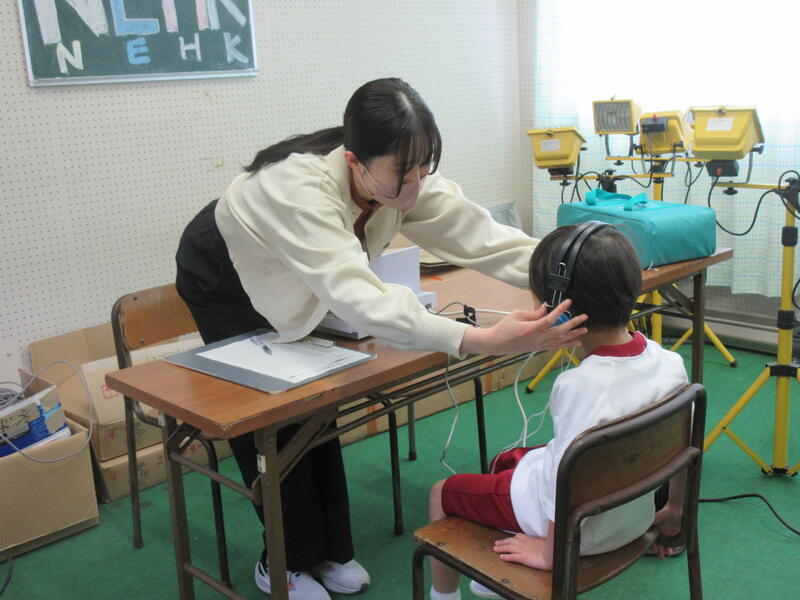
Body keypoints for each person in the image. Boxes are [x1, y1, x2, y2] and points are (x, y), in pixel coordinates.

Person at [175, 78, 588, 600]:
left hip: (298, 269)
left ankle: (328, 551)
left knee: (317, 402)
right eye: (403, 174)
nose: (415, 187)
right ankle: (283, 563)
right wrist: (481, 339)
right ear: (355, 161)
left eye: (424, 169)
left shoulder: (396, 170)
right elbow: (362, 301)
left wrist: (568, 266)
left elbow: (480, 236)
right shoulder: (300, 193)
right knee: (273, 413)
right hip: (224, 273)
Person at [426, 223, 689, 600]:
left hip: (579, 536)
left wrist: (550, 552)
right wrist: (674, 509)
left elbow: (562, 483)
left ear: (558, 309)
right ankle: (500, 570)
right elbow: (682, 450)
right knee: (506, 462)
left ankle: (446, 594)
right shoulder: (670, 363)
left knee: (441, 492)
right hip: (634, 518)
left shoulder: (580, 385)